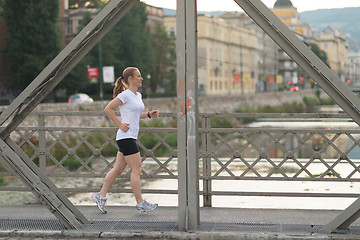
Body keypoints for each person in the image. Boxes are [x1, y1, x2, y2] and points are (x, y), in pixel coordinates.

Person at [92, 67, 159, 214]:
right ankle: (140, 203)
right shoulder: (125, 95)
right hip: (126, 137)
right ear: (130, 78)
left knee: (118, 169)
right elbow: (108, 109)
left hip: (128, 137)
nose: (141, 78)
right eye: (139, 76)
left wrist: (148, 114)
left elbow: (134, 114)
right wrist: (120, 124)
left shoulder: (138, 95)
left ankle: (100, 196)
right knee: (137, 170)